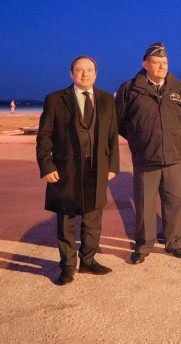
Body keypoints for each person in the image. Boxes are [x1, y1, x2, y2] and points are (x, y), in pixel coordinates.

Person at [36, 56, 119, 285]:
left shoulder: (105, 100)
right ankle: (68, 265)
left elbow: (112, 135)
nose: (85, 74)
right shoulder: (55, 99)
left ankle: (89, 261)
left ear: (96, 73)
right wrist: (46, 165)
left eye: (89, 70)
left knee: (93, 217)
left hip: (97, 167)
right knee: (66, 218)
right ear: (71, 74)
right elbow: (44, 136)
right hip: (65, 169)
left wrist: (113, 165)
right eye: (79, 70)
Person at [116, 42, 181, 264]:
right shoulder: (130, 88)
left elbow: (180, 117)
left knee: (173, 202)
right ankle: (144, 245)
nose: (161, 66)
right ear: (145, 64)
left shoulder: (176, 87)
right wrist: (140, 140)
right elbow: (120, 122)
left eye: (164, 63)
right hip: (145, 158)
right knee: (145, 204)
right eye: (156, 63)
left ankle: (174, 242)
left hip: (172, 157)